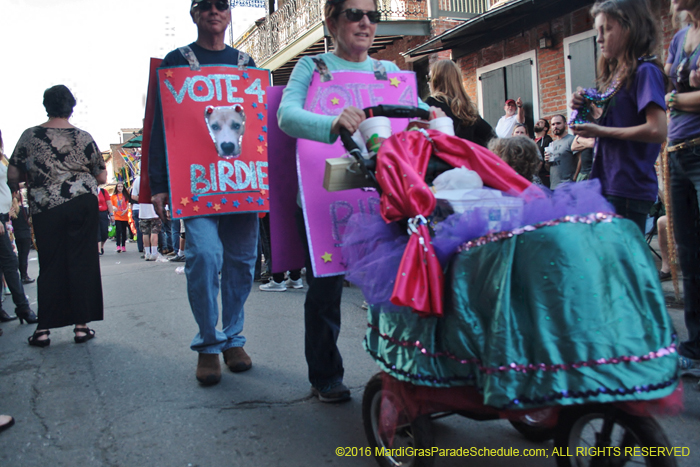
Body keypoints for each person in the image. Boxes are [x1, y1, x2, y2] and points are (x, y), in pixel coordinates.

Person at [278, 0, 441, 402]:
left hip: (384, 194)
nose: (365, 23)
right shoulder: (313, 69)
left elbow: (410, 117)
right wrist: (330, 123)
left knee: (401, 284)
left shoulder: (388, 72)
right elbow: (287, 116)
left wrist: (428, 115)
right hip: (326, 198)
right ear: (331, 22)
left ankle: (407, 370)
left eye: (373, 15)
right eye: (354, 14)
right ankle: (326, 374)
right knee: (326, 291)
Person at [149, 0, 257, 385]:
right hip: (195, 186)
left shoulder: (247, 63)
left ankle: (234, 339)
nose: (215, 11)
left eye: (222, 5)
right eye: (206, 5)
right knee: (206, 258)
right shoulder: (175, 62)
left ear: (229, 13)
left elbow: (259, 125)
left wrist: (266, 183)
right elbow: (163, 126)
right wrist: (158, 184)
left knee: (243, 264)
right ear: (194, 14)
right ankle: (209, 345)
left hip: (243, 183)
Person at [8, 85, 105, 346]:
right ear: (71, 107)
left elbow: (13, 175)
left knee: (50, 264)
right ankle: (81, 327)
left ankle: (43, 330)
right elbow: (102, 175)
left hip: (46, 204)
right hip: (82, 203)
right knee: (82, 261)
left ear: (46, 106)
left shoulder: (30, 136)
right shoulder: (83, 137)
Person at [570, 0, 667, 233]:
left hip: (628, 187)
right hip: (609, 182)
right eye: (598, 31)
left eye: (607, 29)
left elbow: (658, 130)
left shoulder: (645, 72)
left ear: (629, 27)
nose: (599, 38)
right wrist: (587, 113)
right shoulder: (616, 78)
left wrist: (600, 131)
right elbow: (620, 122)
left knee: (622, 262)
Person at [663, 0, 700, 375]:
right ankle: (695, 347)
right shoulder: (678, 38)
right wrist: (683, 98)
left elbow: (671, 97)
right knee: (689, 257)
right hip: (676, 153)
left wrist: (677, 98)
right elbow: (670, 95)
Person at [0, 130, 37, 326]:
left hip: (5, 216)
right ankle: (22, 306)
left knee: (5, 262)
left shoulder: (2, 159)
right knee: (9, 261)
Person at [424, 59, 495, 147]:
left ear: (436, 80)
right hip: (465, 159)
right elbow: (493, 138)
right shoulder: (468, 110)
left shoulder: (431, 104)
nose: (428, 82)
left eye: (429, 78)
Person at [544, 114, 577, 189]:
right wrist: (547, 161)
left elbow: (580, 160)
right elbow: (549, 168)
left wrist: (575, 178)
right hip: (554, 186)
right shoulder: (551, 144)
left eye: (558, 123)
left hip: (568, 186)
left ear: (565, 124)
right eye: (553, 124)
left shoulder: (571, 140)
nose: (555, 126)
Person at [11, 190, 35, 281]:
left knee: (19, 255)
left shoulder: (13, 211)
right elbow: (29, 222)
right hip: (25, 234)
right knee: (24, 256)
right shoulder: (25, 210)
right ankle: (24, 276)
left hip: (16, 234)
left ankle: (19, 275)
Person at [534, 118, 552, 188]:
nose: (537, 123)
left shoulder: (547, 140)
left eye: (541, 122)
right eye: (537, 122)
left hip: (543, 176)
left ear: (545, 128)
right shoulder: (531, 140)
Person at [96, 184, 113, 255]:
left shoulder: (103, 191)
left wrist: (111, 214)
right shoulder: (90, 192)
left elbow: (109, 203)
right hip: (94, 214)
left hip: (103, 214)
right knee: (97, 232)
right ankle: (98, 250)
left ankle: (101, 246)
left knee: (104, 232)